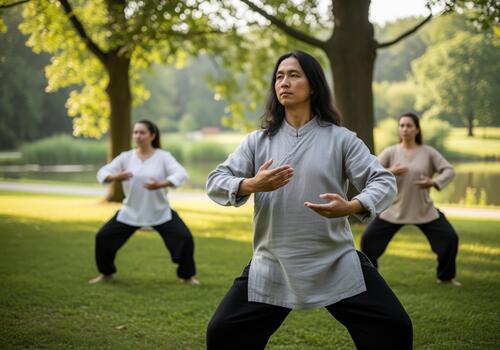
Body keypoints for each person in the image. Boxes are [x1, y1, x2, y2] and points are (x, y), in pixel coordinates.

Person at [206, 51, 412, 350]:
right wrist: (250, 184)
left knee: (393, 327)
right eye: (279, 76)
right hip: (273, 262)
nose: (284, 82)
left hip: (336, 261)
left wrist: (352, 206)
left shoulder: (341, 139)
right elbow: (215, 181)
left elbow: (383, 180)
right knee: (223, 333)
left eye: (293, 75)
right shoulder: (257, 141)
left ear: (313, 85)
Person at [89, 120, 199, 285]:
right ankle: (106, 273)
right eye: (135, 132)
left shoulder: (163, 157)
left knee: (184, 238)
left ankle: (186, 276)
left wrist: (161, 184)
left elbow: (181, 174)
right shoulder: (126, 157)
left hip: (159, 212)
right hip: (131, 212)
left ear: (152, 135)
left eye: (142, 132)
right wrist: (115, 177)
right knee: (103, 237)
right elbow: (102, 172)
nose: (137, 136)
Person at [361, 112, 460, 286]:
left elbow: (449, 170)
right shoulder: (391, 152)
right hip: (393, 210)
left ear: (417, 130)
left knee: (450, 238)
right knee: (368, 241)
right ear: (399, 129)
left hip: (423, 210)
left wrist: (434, 182)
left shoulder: (428, 152)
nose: (405, 129)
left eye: (409, 126)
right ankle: (371, 279)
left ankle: (446, 277)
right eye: (402, 126)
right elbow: (371, 172)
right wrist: (390, 171)